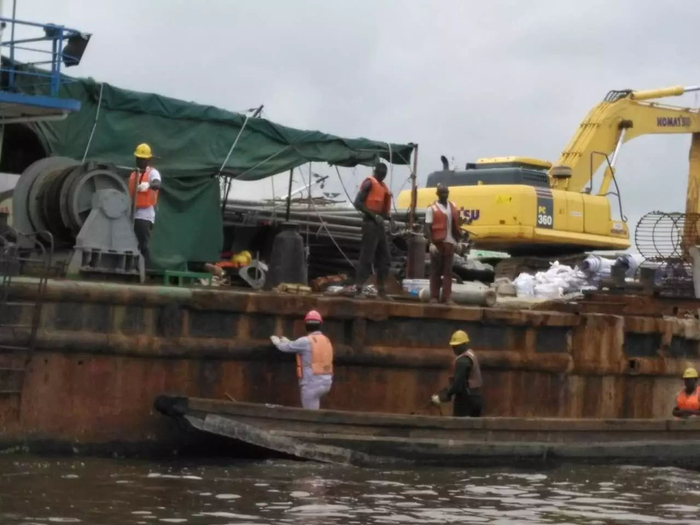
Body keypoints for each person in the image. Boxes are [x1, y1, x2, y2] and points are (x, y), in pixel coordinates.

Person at [270, 310, 333, 410]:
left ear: (306, 325)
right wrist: (290, 342)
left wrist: (277, 342)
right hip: (326, 382)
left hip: (311, 384)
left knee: (309, 414)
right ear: (320, 324)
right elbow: (306, 349)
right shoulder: (326, 340)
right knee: (315, 409)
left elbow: (285, 348)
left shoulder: (305, 341)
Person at [353, 163, 393, 299]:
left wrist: (390, 218)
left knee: (385, 258)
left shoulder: (383, 187)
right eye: (381, 173)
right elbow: (358, 203)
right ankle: (359, 289)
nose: (383, 176)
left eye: (384, 174)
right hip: (369, 224)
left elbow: (382, 210)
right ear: (376, 172)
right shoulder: (369, 183)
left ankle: (381, 290)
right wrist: (374, 216)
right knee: (367, 257)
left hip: (379, 226)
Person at [425, 184, 463, 305]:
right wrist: (431, 243)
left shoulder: (452, 207)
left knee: (448, 271)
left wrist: (458, 241)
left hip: (450, 243)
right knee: (435, 271)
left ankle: (447, 297)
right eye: (442, 193)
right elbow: (427, 227)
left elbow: (456, 226)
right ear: (437, 194)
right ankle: (434, 297)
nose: (444, 195)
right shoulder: (432, 209)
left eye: (446, 193)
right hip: (437, 244)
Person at [431, 330, 483, 417]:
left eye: (456, 346)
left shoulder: (462, 361)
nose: (454, 348)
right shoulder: (471, 355)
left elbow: (457, 385)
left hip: (466, 401)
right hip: (476, 398)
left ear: (463, 345)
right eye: (453, 346)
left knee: (461, 424)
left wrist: (442, 397)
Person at [128, 143, 161, 268]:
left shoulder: (153, 173)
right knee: (132, 244)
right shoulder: (133, 174)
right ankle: (133, 267)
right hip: (132, 213)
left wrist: (148, 185)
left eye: (142, 159)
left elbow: (157, 184)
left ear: (148, 160)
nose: (139, 161)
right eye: (138, 158)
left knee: (142, 244)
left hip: (145, 215)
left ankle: (145, 269)